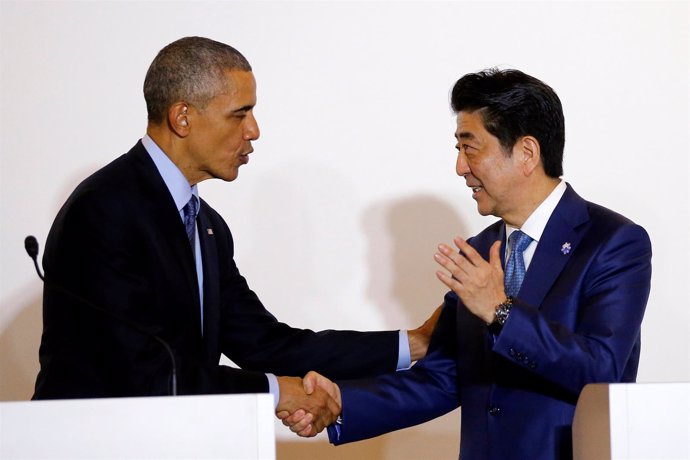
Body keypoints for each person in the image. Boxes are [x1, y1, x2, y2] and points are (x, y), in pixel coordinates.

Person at [32, 36, 440, 429]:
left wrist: (415, 342)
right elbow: (142, 374)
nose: (254, 130)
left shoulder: (206, 224)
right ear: (183, 117)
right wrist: (279, 392)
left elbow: (265, 344)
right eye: (239, 114)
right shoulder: (105, 208)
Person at [280, 69, 652, 459]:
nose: (460, 167)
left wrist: (501, 311)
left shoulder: (612, 241)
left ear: (527, 152)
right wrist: (343, 401)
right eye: (457, 150)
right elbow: (445, 377)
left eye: (470, 148)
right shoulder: (480, 249)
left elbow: (603, 373)